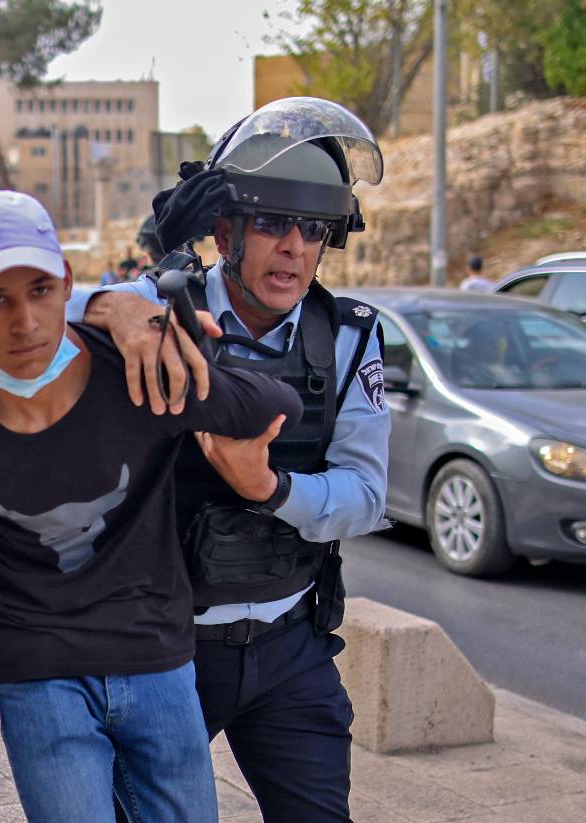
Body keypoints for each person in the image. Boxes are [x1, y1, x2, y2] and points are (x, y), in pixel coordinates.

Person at [0, 191, 301, 823]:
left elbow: (275, 404)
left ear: (66, 284)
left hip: (155, 656)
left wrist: (187, 355)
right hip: (39, 671)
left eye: (39, 290)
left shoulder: (139, 371)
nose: (24, 322)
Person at [76, 96, 390, 823]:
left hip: (289, 647)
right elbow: (40, 323)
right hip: (164, 655)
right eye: (273, 224)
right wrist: (108, 303)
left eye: (311, 229)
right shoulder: (157, 308)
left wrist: (270, 487)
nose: (292, 248)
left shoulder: (348, 339)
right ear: (225, 232)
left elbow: (367, 493)